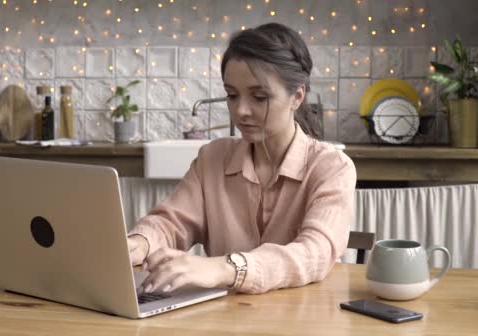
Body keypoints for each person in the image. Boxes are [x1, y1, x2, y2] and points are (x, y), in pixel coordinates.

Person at [127, 22, 356, 295]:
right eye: (232, 95)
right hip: (225, 322)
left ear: (297, 96)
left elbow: (314, 252)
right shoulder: (212, 158)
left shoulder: (331, 168)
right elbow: (170, 224)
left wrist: (224, 268)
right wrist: (140, 242)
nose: (241, 111)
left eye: (259, 97)